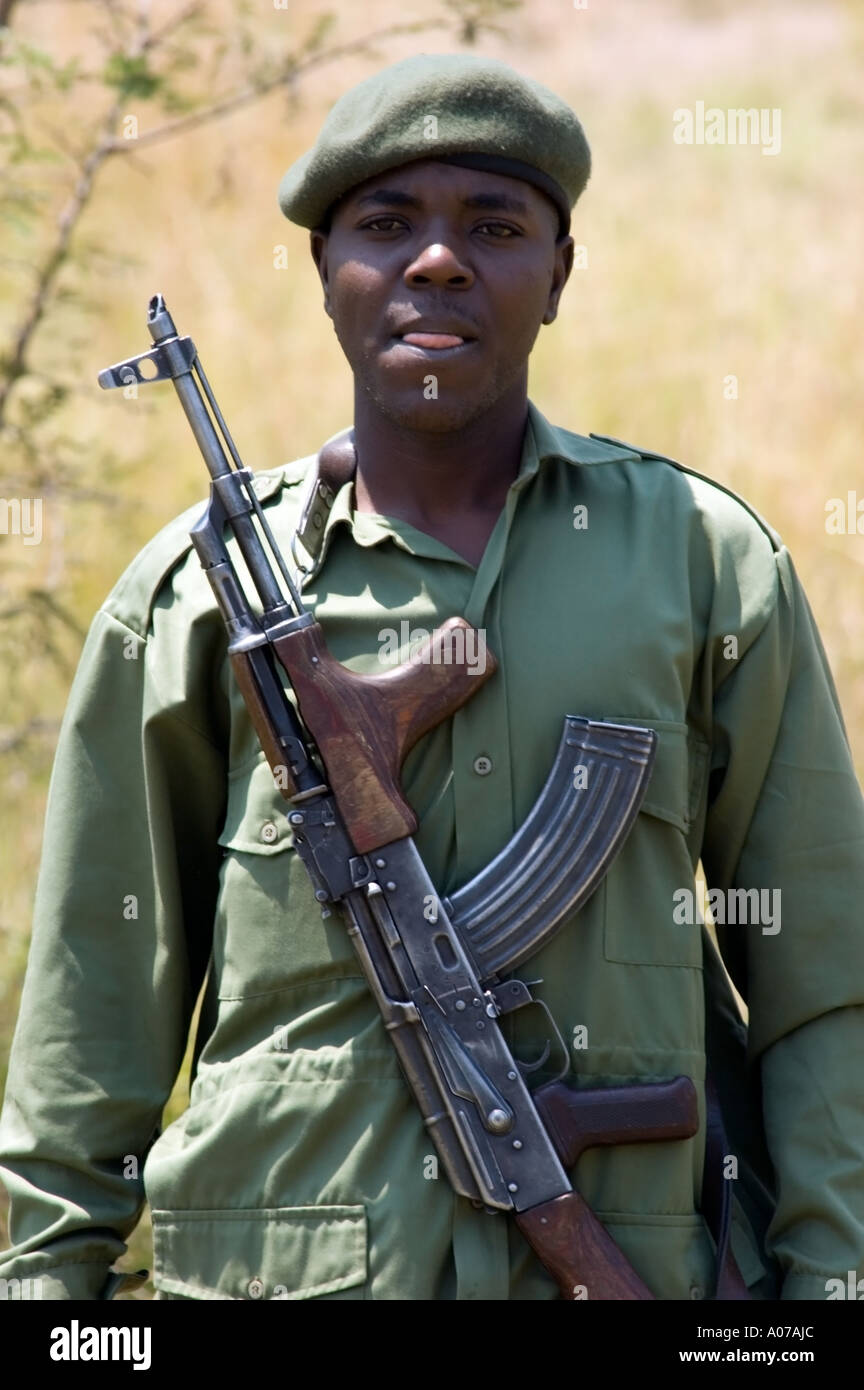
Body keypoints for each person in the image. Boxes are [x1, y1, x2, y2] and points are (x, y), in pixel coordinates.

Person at [1, 52, 863, 1303]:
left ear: (559, 272)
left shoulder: (704, 564)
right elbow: (91, 1019)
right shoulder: (188, 604)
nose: (439, 261)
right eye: (387, 224)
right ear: (324, 274)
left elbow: (821, 982)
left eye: (494, 226)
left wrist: (827, 1292)